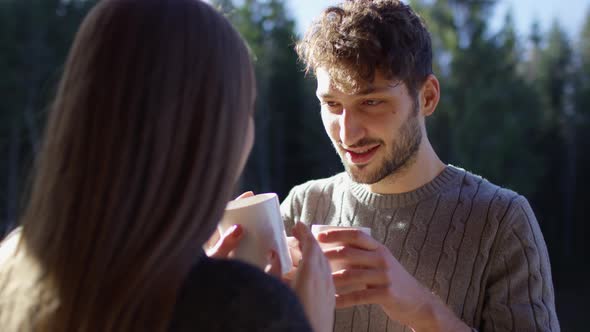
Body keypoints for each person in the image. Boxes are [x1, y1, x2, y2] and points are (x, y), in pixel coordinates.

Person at [0, 0, 334, 331]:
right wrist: (306, 321)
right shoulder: (252, 308)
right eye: (245, 109)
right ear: (211, 134)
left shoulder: (12, 266)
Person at [281, 1, 560, 331]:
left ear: (427, 97)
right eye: (332, 104)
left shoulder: (501, 221)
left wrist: (421, 309)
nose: (347, 133)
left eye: (371, 102)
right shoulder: (303, 207)